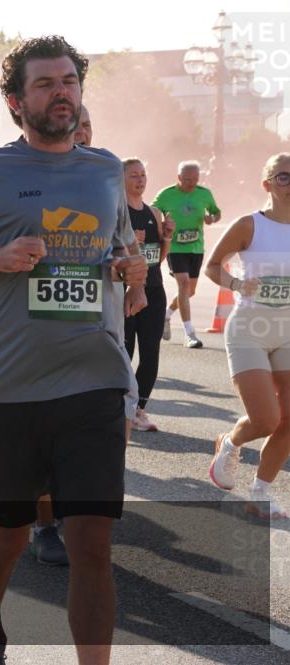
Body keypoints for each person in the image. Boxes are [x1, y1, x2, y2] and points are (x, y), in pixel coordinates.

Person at [0, 36, 147, 665]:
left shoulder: (105, 169)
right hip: (10, 388)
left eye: (70, 81)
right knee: (13, 531)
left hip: (95, 378)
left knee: (92, 541)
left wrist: (131, 276)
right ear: (15, 100)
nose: (62, 93)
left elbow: (124, 252)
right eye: (46, 84)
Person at [205, 153, 290, 520]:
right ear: (266, 183)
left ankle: (261, 492)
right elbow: (211, 266)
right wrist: (238, 283)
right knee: (266, 420)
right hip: (249, 331)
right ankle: (230, 443)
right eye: (284, 176)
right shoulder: (249, 225)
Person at [123, 158, 174, 433]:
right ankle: (122, 406)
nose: (140, 180)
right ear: (121, 180)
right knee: (125, 351)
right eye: (133, 175)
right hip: (125, 290)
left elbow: (158, 259)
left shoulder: (153, 212)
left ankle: (139, 408)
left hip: (154, 288)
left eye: (143, 175)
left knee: (151, 352)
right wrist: (130, 242)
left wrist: (165, 237)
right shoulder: (117, 212)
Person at [153, 161, 222, 348]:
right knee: (183, 284)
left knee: (190, 291)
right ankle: (189, 334)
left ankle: (166, 315)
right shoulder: (166, 195)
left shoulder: (204, 194)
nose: (191, 183)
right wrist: (162, 227)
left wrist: (212, 218)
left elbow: (217, 212)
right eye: (187, 179)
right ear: (178, 178)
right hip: (174, 248)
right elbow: (151, 212)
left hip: (196, 248)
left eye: (195, 179)